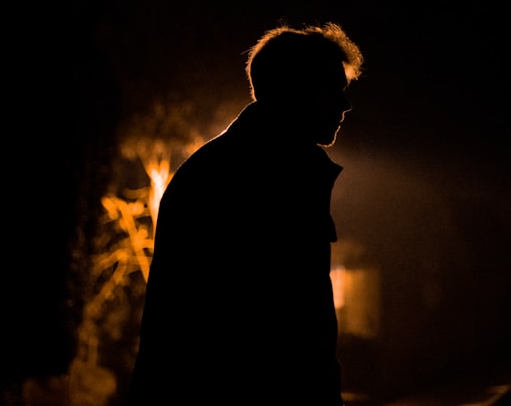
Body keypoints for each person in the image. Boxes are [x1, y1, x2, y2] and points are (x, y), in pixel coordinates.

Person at [126, 22, 364, 406]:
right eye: (333, 89)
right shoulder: (251, 175)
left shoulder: (243, 166)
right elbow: (267, 324)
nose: (345, 105)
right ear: (295, 90)